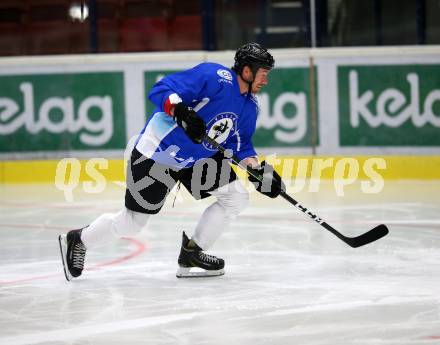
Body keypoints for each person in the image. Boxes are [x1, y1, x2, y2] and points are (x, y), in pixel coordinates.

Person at [58, 42, 285, 280]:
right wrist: (180, 112)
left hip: (197, 160)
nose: (265, 81)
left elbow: (240, 145)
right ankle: (78, 240)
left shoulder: (249, 106)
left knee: (236, 197)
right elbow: (160, 89)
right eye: (263, 73)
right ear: (247, 71)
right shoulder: (215, 77)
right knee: (132, 223)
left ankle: (192, 252)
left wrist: (258, 170)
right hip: (158, 152)